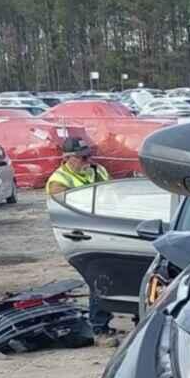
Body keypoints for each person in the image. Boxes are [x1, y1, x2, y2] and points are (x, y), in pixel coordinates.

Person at [45, 141, 118, 334]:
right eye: (83, 157)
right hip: (83, 235)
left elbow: (116, 194)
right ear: (67, 158)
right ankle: (98, 327)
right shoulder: (58, 181)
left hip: (108, 229)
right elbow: (71, 210)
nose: (89, 161)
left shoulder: (98, 170)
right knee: (98, 278)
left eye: (89, 155)